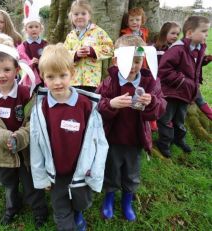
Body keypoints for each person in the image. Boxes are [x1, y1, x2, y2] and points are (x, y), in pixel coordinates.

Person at [30, 43, 108, 231]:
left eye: (63, 75)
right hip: (56, 171)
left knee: (81, 201)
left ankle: (78, 212)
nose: (57, 82)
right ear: (43, 78)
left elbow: (99, 141)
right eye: (51, 77)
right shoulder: (41, 109)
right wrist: (41, 177)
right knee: (60, 207)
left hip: (81, 169)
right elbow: (36, 144)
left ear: (72, 74)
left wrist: (95, 170)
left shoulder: (85, 105)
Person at [0, 44, 47, 228]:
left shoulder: (27, 94)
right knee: (9, 184)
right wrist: (1, 137)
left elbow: (35, 121)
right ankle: (12, 208)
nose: (1, 75)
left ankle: (40, 211)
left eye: (7, 69)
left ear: (17, 69)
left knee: (31, 184)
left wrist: (21, 136)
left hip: (26, 152)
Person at [96, 35, 166, 221]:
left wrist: (151, 102)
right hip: (112, 138)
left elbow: (160, 106)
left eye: (137, 61)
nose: (133, 66)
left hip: (135, 139)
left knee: (131, 173)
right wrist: (110, 103)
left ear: (143, 60)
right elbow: (97, 104)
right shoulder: (109, 82)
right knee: (112, 170)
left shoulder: (150, 83)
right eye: (128, 61)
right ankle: (109, 198)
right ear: (115, 60)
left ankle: (127, 201)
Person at [156, 16, 210, 158]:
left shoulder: (200, 48)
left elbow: (194, 68)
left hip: (186, 93)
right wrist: (182, 81)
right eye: (204, 31)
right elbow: (164, 70)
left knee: (180, 119)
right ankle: (164, 143)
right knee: (166, 119)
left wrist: (193, 85)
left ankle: (179, 140)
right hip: (171, 92)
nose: (207, 34)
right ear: (190, 33)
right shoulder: (177, 49)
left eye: (207, 31)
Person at [155, 21, 212, 120]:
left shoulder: (183, 48)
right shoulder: (162, 49)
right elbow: (162, 68)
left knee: (195, 99)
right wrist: (182, 80)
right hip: (169, 84)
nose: (175, 36)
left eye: (177, 34)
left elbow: (189, 64)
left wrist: (204, 60)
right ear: (164, 33)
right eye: (172, 33)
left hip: (185, 84)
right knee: (169, 112)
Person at [64, 0, 114, 92]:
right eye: (76, 14)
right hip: (73, 80)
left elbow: (110, 49)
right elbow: (63, 55)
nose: (79, 16)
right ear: (71, 17)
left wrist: (93, 51)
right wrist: (75, 54)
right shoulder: (70, 36)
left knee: (91, 103)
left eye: (83, 13)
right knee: (76, 104)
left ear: (89, 15)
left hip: (92, 80)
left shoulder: (98, 32)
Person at [17, 0, 48, 88]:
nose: (33, 29)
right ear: (26, 29)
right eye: (30, 27)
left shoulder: (45, 44)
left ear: (40, 29)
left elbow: (50, 58)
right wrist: (30, 62)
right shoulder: (22, 46)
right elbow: (21, 61)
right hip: (30, 78)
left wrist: (42, 62)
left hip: (44, 75)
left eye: (36, 27)